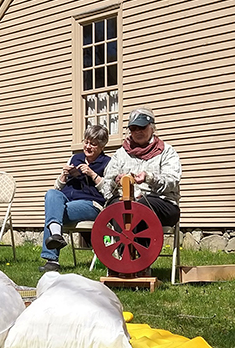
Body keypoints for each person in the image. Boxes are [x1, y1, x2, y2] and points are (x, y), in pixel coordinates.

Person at [40, 124, 111, 272]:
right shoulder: (75, 158)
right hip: (66, 200)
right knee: (51, 194)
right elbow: (57, 188)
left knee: (53, 213)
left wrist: (92, 174)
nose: (88, 146)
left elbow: (109, 191)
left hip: (91, 204)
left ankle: (51, 259)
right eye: (86, 142)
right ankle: (57, 235)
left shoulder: (107, 163)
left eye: (93, 144)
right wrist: (64, 174)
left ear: (102, 146)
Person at [97, 108, 181, 228]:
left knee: (139, 207)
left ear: (152, 127)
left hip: (161, 202)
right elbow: (106, 185)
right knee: (120, 208)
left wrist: (149, 178)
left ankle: (132, 246)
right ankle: (127, 246)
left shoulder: (167, 152)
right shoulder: (120, 154)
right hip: (125, 202)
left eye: (142, 128)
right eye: (133, 129)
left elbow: (172, 180)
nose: (137, 132)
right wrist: (115, 180)